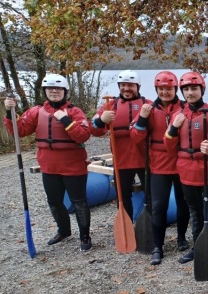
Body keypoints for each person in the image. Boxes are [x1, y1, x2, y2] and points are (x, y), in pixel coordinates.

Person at [4, 74, 92, 251]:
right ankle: (64, 230)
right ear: (45, 91)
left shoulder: (75, 112)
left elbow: (83, 135)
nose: (54, 91)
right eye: (50, 88)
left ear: (64, 91)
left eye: (58, 88)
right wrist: (9, 113)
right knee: (54, 201)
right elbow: (20, 131)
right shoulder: (36, 111)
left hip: (73, 166)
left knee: (79, 202)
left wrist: (65, 120)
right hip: (49, 166)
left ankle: (85, 236)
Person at [164, 72, 208, 271]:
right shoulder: (178, 116)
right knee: (194, 212)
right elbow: (168, 146)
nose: (190, 93)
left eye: (194, 88)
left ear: (202, 90)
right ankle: (197, 247)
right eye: (186, 89)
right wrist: (173, 128)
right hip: (186, 173)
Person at [130, 71, 191, 265]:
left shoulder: (185, 108)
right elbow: (136, 138)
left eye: (169, 89)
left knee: (183, 203)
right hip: (158, 164)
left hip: (182, 163)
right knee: (158, 206)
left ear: (175, 89)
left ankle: (181, 237)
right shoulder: (148, 109)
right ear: (156, 89)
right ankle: (157, 246)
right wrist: (142, 118)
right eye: (161, 89)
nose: (165, 92)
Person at [91, 70, 152, 221]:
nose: (126, 88)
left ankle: (152, 226)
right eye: (123, 85)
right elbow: (94, 130)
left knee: (151, 196)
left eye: (130, 85)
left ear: (138, 86)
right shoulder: (109, 106)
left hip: (145, 159)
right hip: (121, 160)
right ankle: (127, 226)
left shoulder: (148, 105)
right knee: (123, 198)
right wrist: (101, 120)